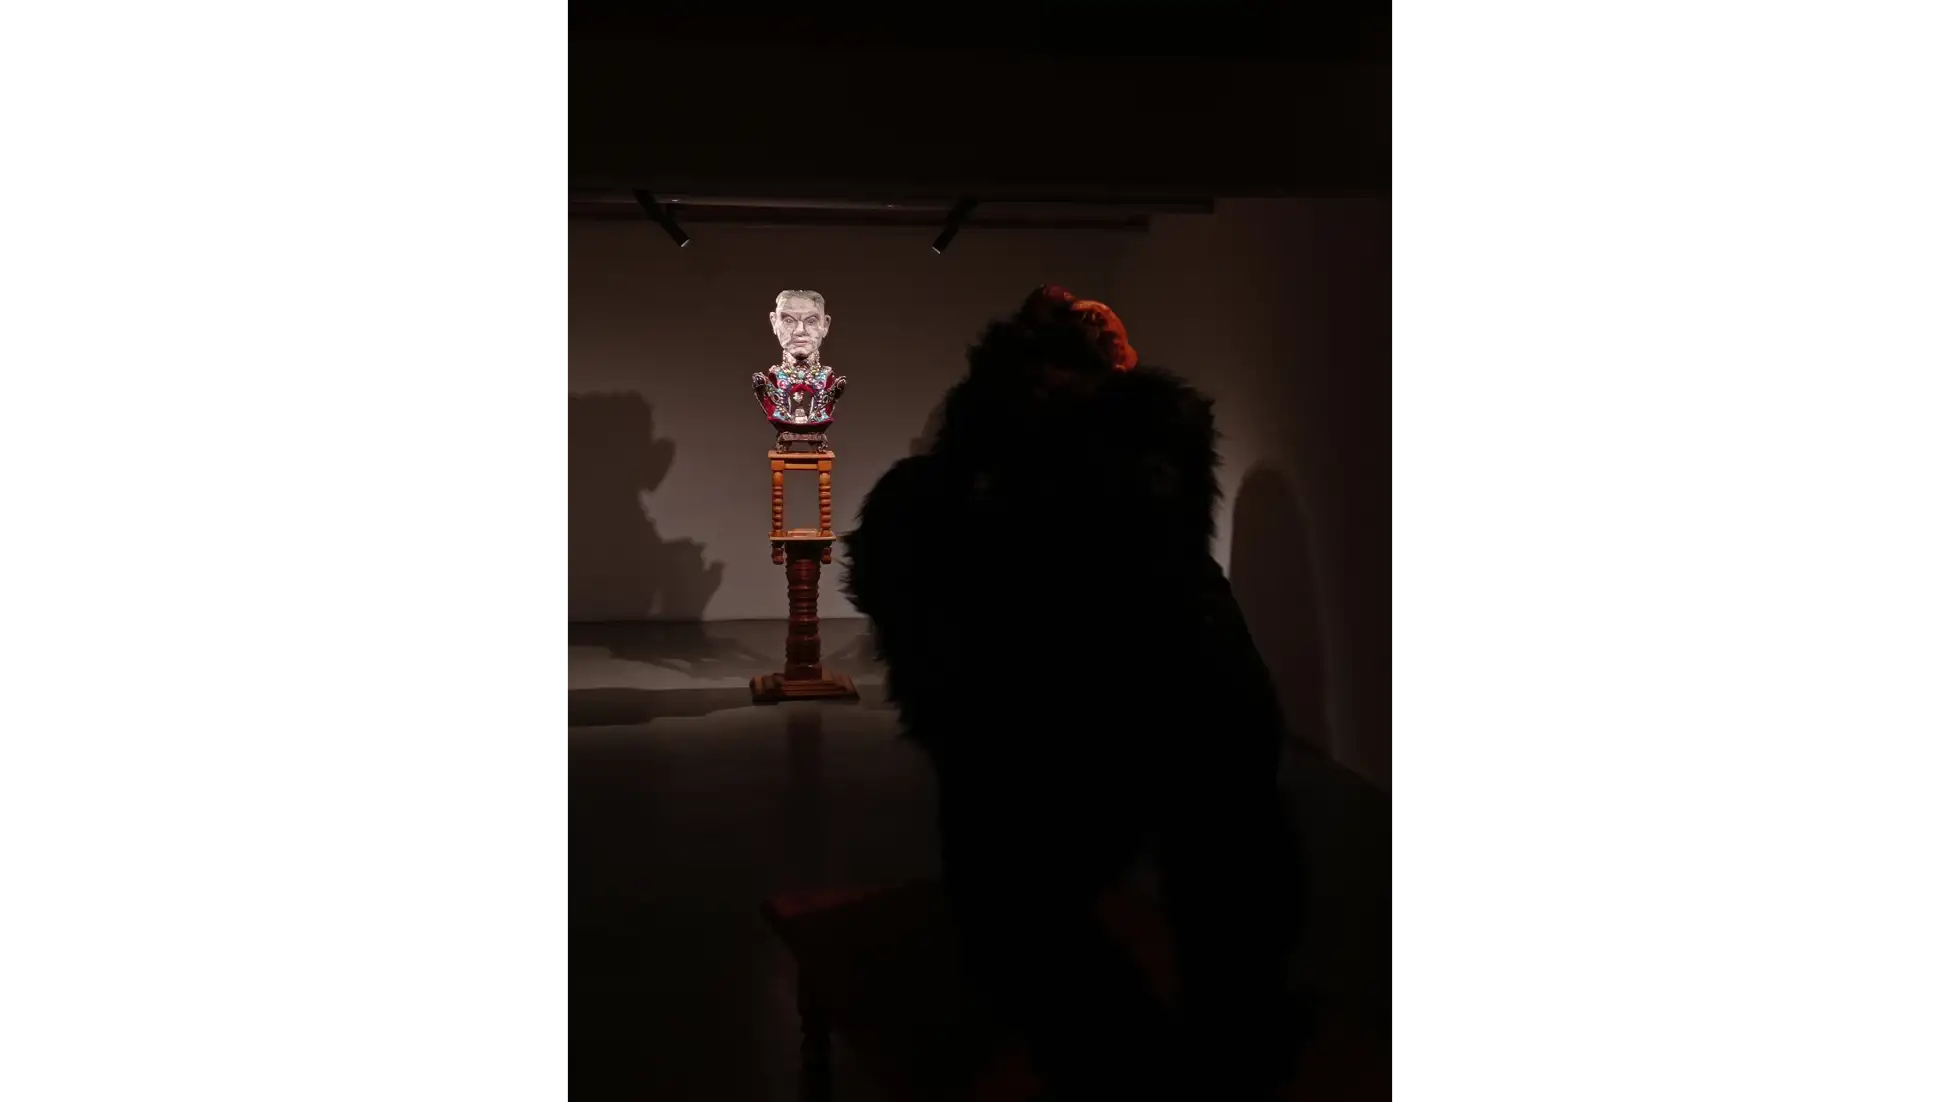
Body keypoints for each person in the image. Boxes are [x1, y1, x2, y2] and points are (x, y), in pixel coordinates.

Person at [842, 285, 1309, 1099]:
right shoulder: (1145, 473)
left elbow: (895, 575)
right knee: (1215, 912)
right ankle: (1207, 1050)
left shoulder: (968, 481)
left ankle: (1144, 1056)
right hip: (1163, 724)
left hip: (1035, 737)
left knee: (1017, 917)